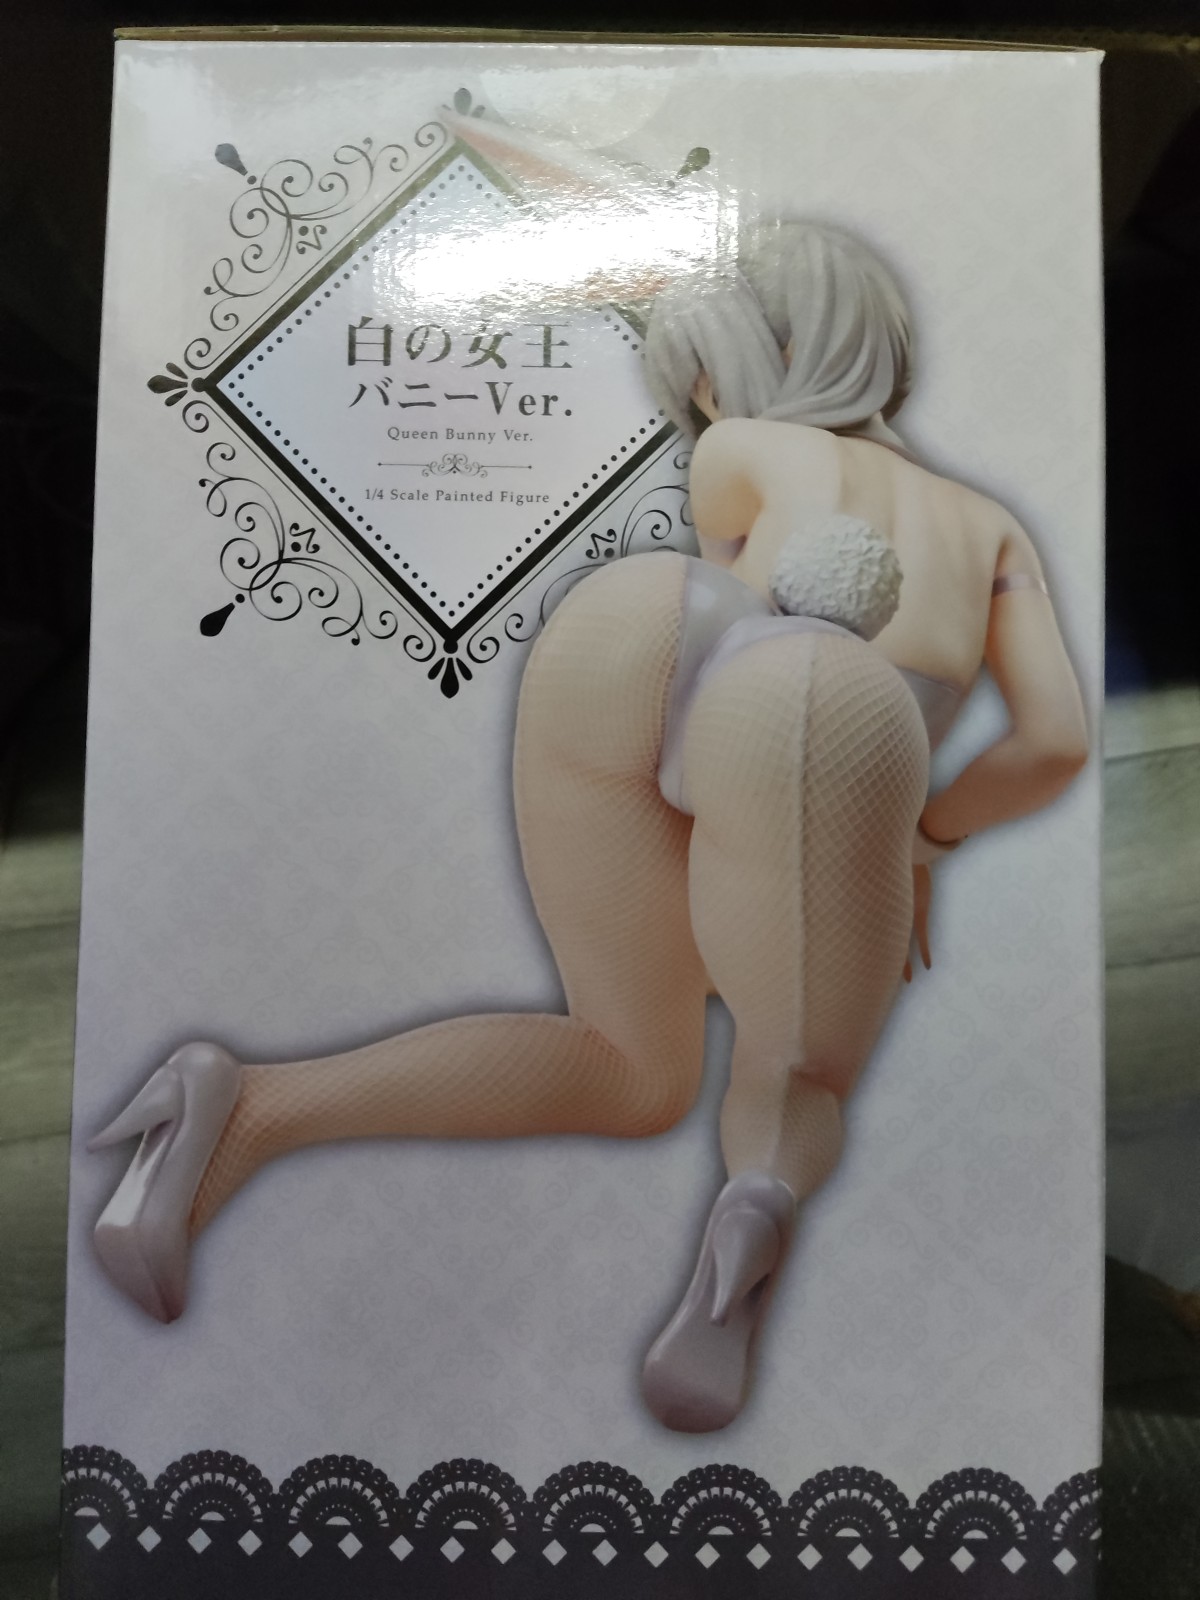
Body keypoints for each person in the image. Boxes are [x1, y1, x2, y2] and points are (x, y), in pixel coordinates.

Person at [88, 215, 1088, 1434]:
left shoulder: (742, 449)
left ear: (758, 358)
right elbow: (1053, 743)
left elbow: (724, 623)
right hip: (824, 706)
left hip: (630, 629)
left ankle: (244, 1106)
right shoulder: (989, 531)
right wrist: (914, 840)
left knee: (628, 1063)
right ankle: (753, 1214)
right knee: (792, 1065)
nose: (699, 401)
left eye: (700, 372)